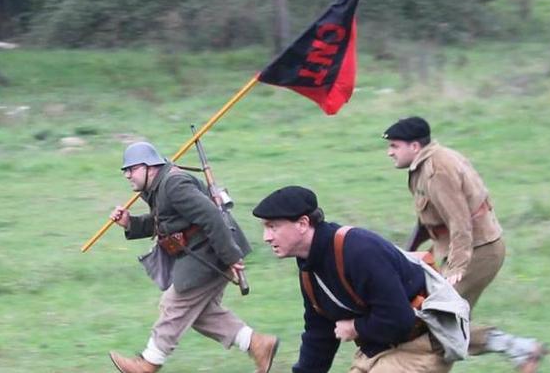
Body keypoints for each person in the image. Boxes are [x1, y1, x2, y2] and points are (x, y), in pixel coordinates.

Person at [383, 116, 545, 372]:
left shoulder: (436, 171)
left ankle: (519, 349)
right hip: (454, 250)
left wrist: (457, 266)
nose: (390, 152)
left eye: (395, 146)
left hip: (476, 253)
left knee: (440, 322)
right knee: (436, 320)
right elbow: (428, 219)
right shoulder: (426, 165)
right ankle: (519, 349)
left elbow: (460, 221)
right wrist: (406, 254)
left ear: (414, 146)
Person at [108, 142, 279, 373]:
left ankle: (148, 363)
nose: (127, 175)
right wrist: (130, 223)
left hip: (211, 255)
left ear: (149, 167)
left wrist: (230, 257)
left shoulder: (174, 184)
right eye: (125, 170)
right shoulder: (159, 187)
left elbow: (211, 217)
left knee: (174, 305)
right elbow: (165, 222)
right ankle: (257, 344)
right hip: (204, 253)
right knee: (197, 313)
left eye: (132, 169)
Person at [253, 185, 463, 373]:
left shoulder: (359, 251)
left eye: (273, 227)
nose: (266, 237)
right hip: (378, 348)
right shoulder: (309, 269)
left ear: (302, 223)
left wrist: (355, 328)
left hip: (421, 345)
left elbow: (400, 319)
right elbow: (320, 333)